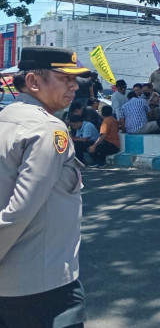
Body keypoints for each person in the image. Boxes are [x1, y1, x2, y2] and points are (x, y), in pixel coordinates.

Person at [0, 46, 89, 326]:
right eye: (64, 78)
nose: (74, 86)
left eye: (75, 79)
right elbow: (19, 211)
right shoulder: (48, 128)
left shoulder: (6, 119)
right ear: (33, 82)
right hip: (43, 287)